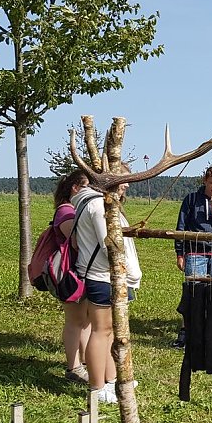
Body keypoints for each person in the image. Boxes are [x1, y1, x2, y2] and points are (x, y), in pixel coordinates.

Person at [72, 166, 142, 404]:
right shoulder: (99, 205)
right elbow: (109, 244)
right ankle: (96, 386)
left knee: (110, 331)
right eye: (124, 179)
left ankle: (111, 379)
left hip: (108, 275)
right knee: (101, 332)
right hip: (103, 276)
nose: (128, 185)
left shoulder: (96, 202)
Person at [171, 166, 212, 349]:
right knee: (193, 293)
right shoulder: (191, 199)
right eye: (211, 183)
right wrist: (180, 253)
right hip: (195, 251)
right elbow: (181, 227)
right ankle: (187, 332)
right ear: (204, 181)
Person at [52, 170, 92, 384]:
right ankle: (73, 366)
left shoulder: (74, 209)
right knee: (75, 321)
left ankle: (84, 362)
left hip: (82, 271)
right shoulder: (66, 211)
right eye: (86, 187)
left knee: (85, 320)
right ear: (75, 188)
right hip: (70, 273)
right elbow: (76, 241)